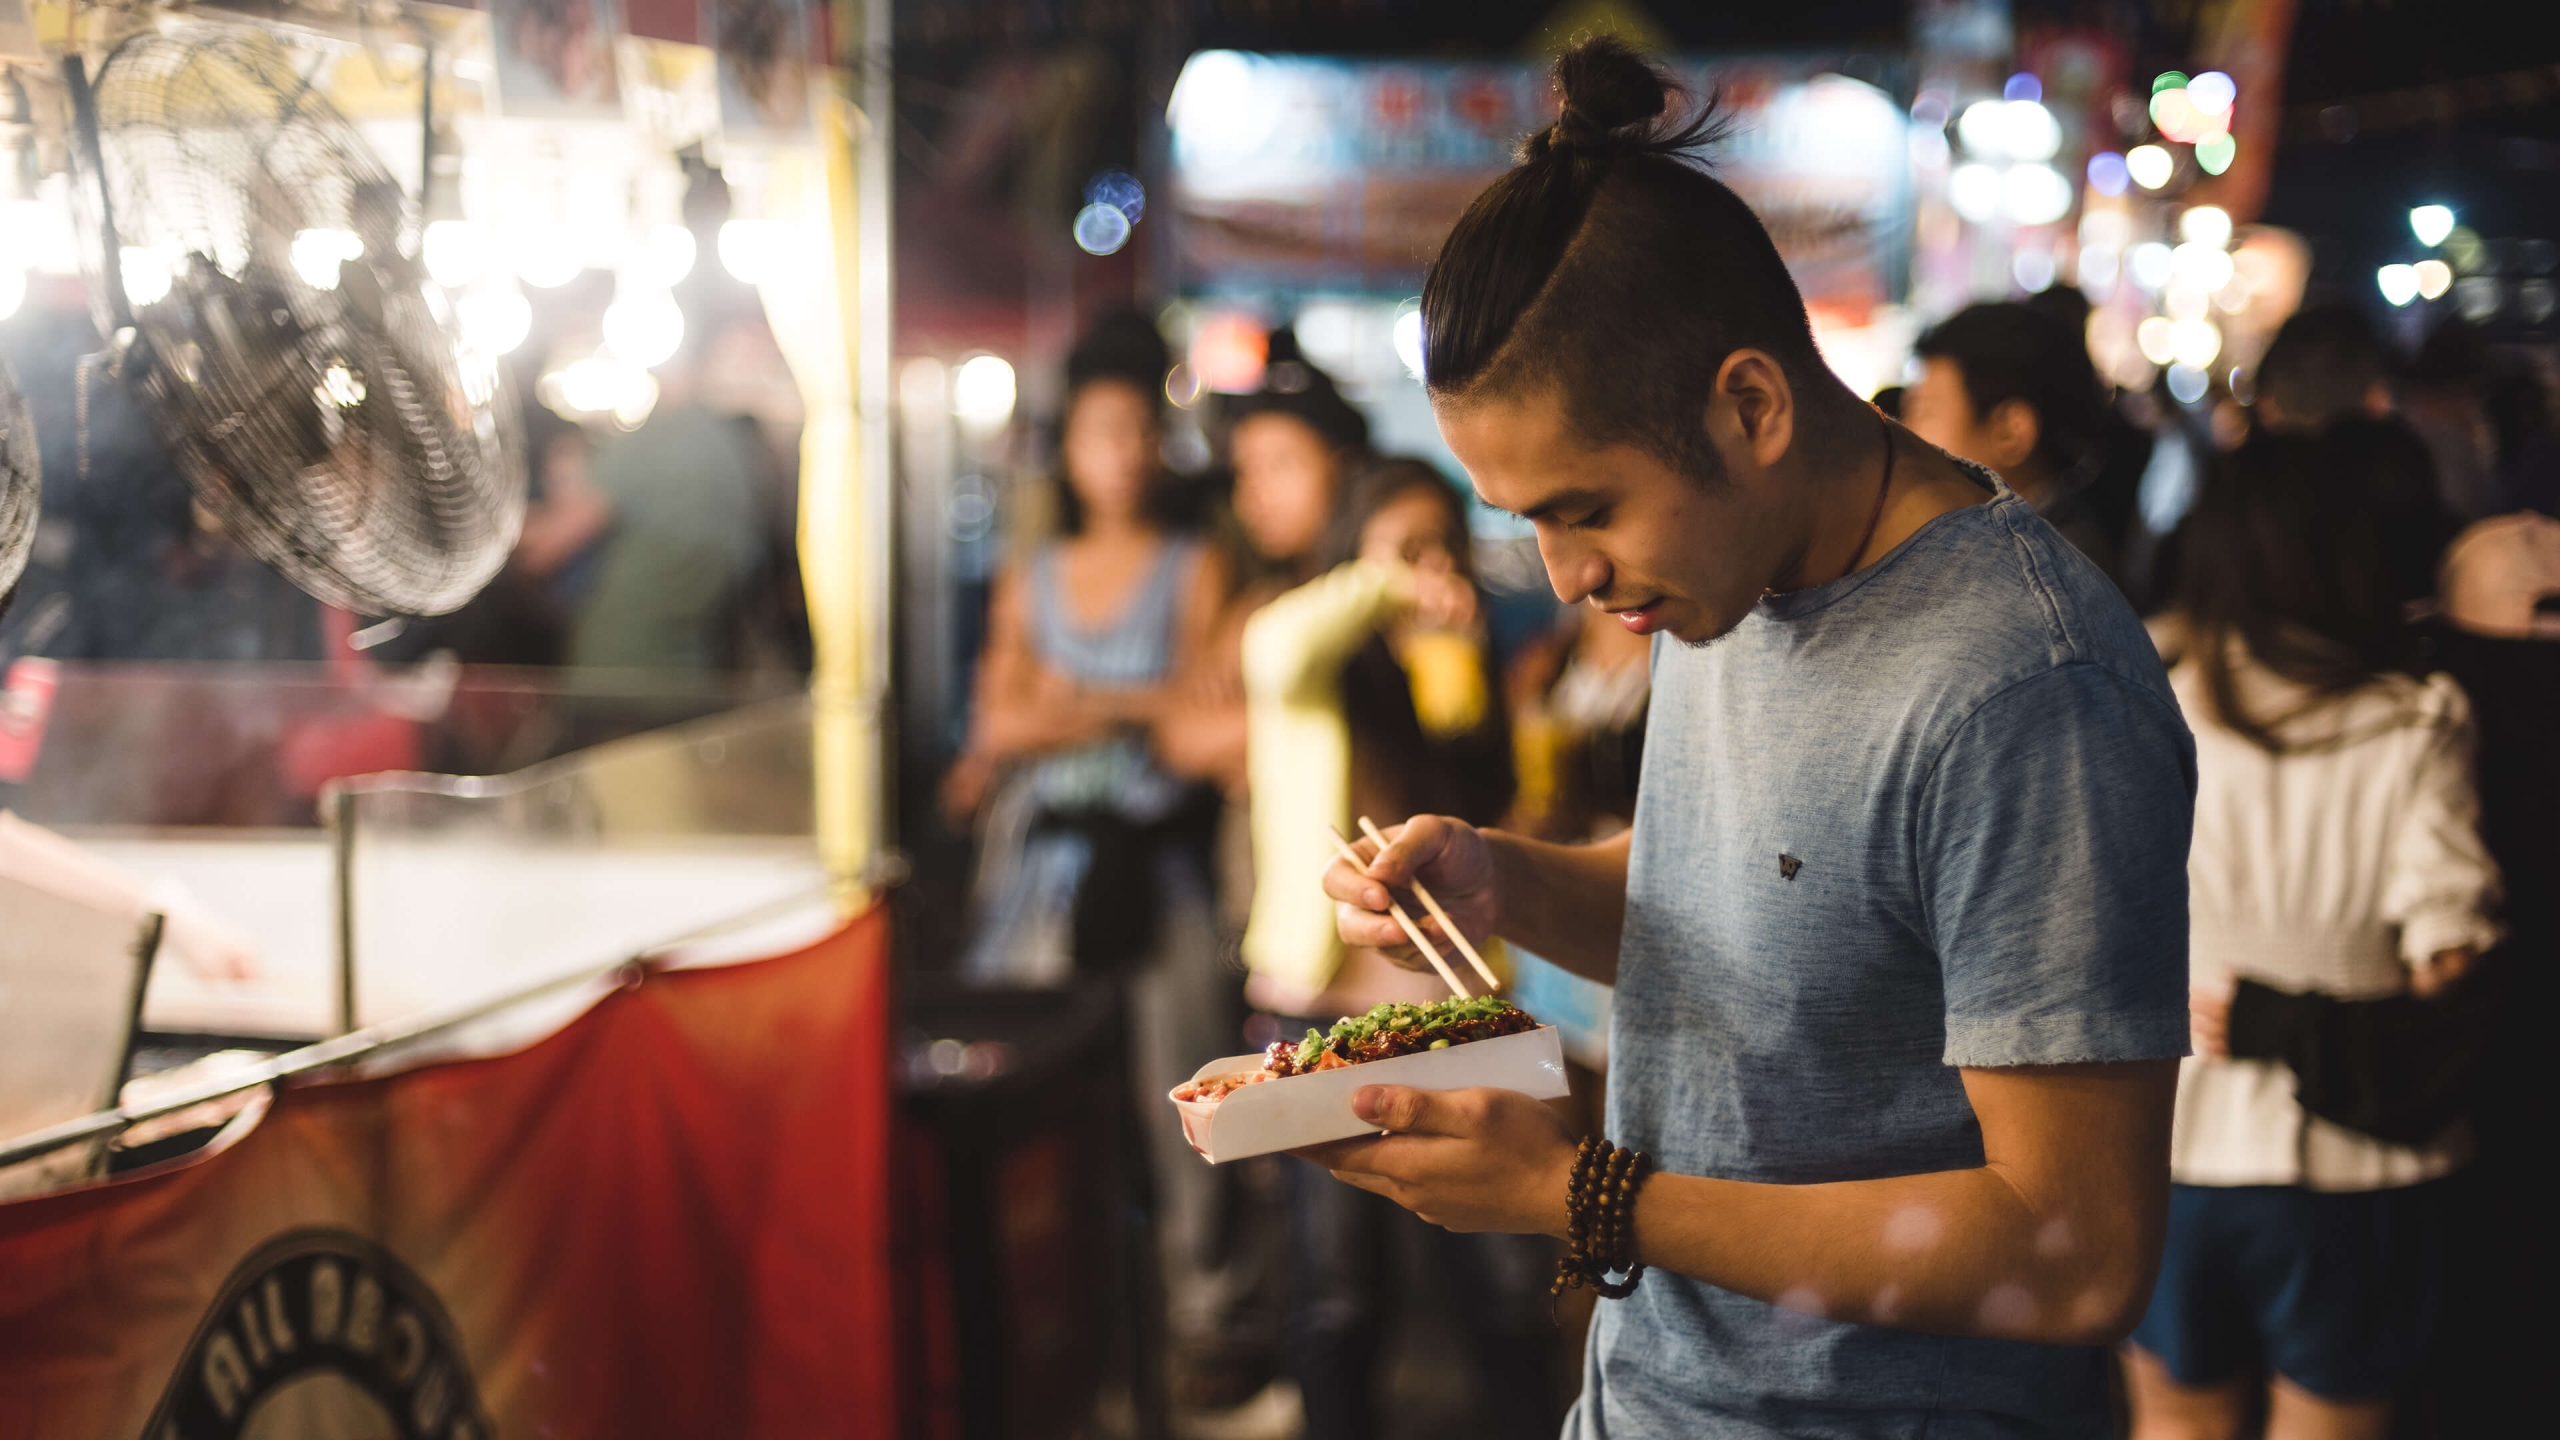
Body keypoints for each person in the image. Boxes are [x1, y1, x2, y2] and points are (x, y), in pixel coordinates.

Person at [1314, 38, 2194, 1438]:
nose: (1566, 576)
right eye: (1526, 520)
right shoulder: (1735, 580)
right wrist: (1507, 884)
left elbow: (2077, 1252)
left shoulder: (2025, 686)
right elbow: (1753, 930)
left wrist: (1576, 1194)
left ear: (1752, 406)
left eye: (1587, 508)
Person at [2129, 433, 2501, 1440]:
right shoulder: (2411, 719)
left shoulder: (2146, 699)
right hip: (2359, 1165)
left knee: (2174, 1418)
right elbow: (2447, 950)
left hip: (2169, 1137)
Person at [1237, 457, 1544, 1440]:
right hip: (1322, 1005)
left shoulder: (1450, 656)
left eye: (1442, 550)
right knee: (1335, 1291)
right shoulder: (1306, 658)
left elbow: (1481, 785)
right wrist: (1388, 581)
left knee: (1500, 1279)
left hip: (1454, 1010)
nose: (1429, 573)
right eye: (1402, 550)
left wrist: (1443, 654)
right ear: (1354, 559)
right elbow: (1277, 648)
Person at [1903, 302, 2123, 583]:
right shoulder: (2053, 541)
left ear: (2010, 433)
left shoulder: (2042, 577)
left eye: (1924, 412)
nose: (1907, 433)